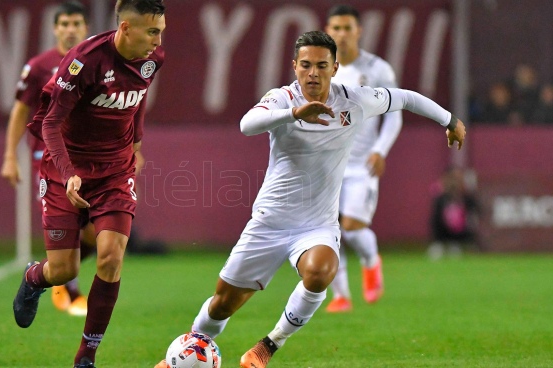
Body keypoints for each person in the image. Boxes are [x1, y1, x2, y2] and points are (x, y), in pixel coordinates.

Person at [155, 30, 465, 368]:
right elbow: (247, 124)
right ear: (294, 66)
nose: (312, 73)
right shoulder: (282, 99)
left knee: (321, 271)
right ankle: (180, 357)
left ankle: (267, 347)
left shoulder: (355, 99)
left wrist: (449, 120)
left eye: (321, 65)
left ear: (335, 67)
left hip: (316, 225)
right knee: (222, 305)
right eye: (305, 65)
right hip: (269, 222)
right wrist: (293, 115)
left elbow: (404, 98)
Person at [11, 1, 166, 367]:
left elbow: (139, 97)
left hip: (115, 170)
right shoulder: (84, 60)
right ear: (126, 28)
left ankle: (86, 356)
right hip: (66, 169)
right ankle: (34, 278)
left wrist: (137, 142)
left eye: (160, 31)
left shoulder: (152, 57)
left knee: (111, 258)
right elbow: (49, 123)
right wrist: (68, 173)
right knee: (64, 271)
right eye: (152, 31)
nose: (159, 41)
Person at [0, 1, 92, 316]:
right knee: (71, 227)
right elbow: (21, 111)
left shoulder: (96, 62)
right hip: (51, 163)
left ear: (85, 28)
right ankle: (68, 287)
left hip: (89, 159)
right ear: (55, 28)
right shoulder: (40, 66)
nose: (70, 29)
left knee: (96, 232)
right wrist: (10, 155)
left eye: (76, 23)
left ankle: (57, 277)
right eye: (64, 23)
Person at [322, 4, 403, 313]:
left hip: (361, 164)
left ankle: (371, 261)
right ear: (328, 31)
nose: (341, 34)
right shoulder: (322, 67)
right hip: (328, 164)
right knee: (328, 230)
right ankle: (341, 296)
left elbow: (394, 115)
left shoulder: (378, 69)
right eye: (336, 28)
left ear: (359, 31)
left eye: (347, 28)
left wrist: (380, 150)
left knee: (352, 226)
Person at [427, 167, 479, 260]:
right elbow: (436, 220)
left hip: (461, 233)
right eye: (452, 178)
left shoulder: (466, 198)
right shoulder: (441, 199)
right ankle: (440, 244)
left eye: (457, 179)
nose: (454, 182)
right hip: (442, 233)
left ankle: (458, 244)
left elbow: (476, 211)